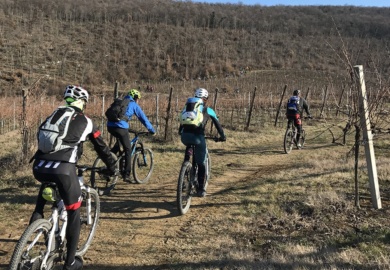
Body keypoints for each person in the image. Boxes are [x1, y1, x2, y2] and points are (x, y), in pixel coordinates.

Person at [30, 85, 117, 270]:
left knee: (46, 187)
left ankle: (35, 228)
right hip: (63, 170)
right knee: (74, 212)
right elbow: (101, 147)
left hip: (38, 166)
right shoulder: (86, 121)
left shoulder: (54, 115)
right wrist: (112, 166)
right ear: (82, 102)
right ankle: (70, 262)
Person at [179, 88, 226, 197]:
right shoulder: (207, 109)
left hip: (184, 136)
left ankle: (184, 175)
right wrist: (223, 137)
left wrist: (181, 133)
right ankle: (201, 189)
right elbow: (218, 125)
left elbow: (181, 125)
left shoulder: (188, 108)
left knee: (189, 147)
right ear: (206, 99)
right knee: (201, 163)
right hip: (198, 137)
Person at [107, 89, 156, 183]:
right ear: (135, 98)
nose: (138, 101)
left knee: (118, 147)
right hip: (121, 127)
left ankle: (109, 161)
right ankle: (127, 175)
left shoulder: (120, 102)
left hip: (110, 126)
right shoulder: (134, 105)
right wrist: (152, 130)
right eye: (138, 99)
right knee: (128, 149)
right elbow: (143, 119)